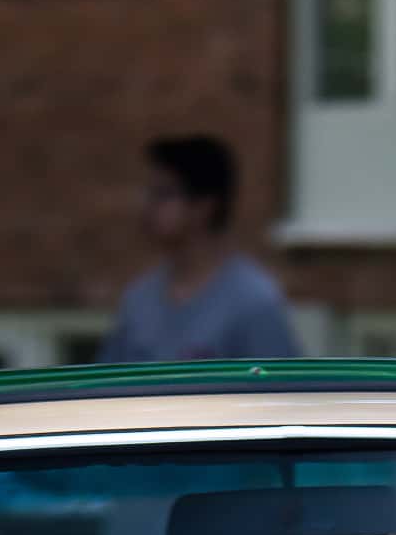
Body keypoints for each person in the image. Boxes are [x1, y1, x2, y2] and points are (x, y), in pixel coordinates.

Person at [99, 135, 301, 364]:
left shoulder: (253, 302)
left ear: (204, 206)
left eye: (163, 194)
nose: (147, 205)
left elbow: (279, 391)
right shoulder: (138, 301)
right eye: (149, 192)